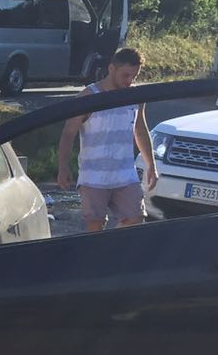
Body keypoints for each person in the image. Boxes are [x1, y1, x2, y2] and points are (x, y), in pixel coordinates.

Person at [55, 47, 156, 232]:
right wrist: (63, 166)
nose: (129, 81)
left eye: (134, 77)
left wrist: (151, 165)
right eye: (125, 75)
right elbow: (68, 132)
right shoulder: (89, 96)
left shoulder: (136, 96)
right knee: (95, 225)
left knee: (136, 217)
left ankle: (110, 245)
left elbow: (140, 129)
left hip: (125, 173)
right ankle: (97, 249)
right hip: (93, 176)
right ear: (111, 69)